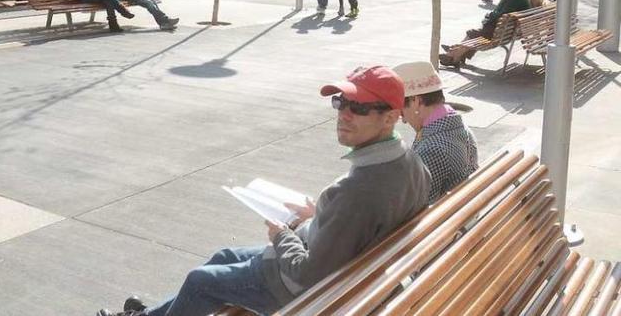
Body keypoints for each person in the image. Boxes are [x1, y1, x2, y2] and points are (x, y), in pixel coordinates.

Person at [96, 66, 431, 316]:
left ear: (389, 119)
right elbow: (359, 225)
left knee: (201, 280)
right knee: (224, 257)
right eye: (340, 102)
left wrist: (282, 233)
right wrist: (321, 217)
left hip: (304, 289)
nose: (344, 114)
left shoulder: (356, 190)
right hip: (349, 271)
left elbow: (308, 275)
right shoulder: (411, 164)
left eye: (358, 108)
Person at [393, 61, 478, 204]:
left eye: (401, 110)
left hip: (447, 223)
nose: (403, 120)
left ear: (416, 101)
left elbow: (418, 209)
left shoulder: (432, 149)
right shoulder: (457, 125)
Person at [439, 0, 531, 68]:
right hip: (507, 32)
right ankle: (456, 52)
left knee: (472, 34)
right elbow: (502, 13)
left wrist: (489, 16)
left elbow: (500, 14)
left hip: (496, 33)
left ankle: (453, 55)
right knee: (473, 33)